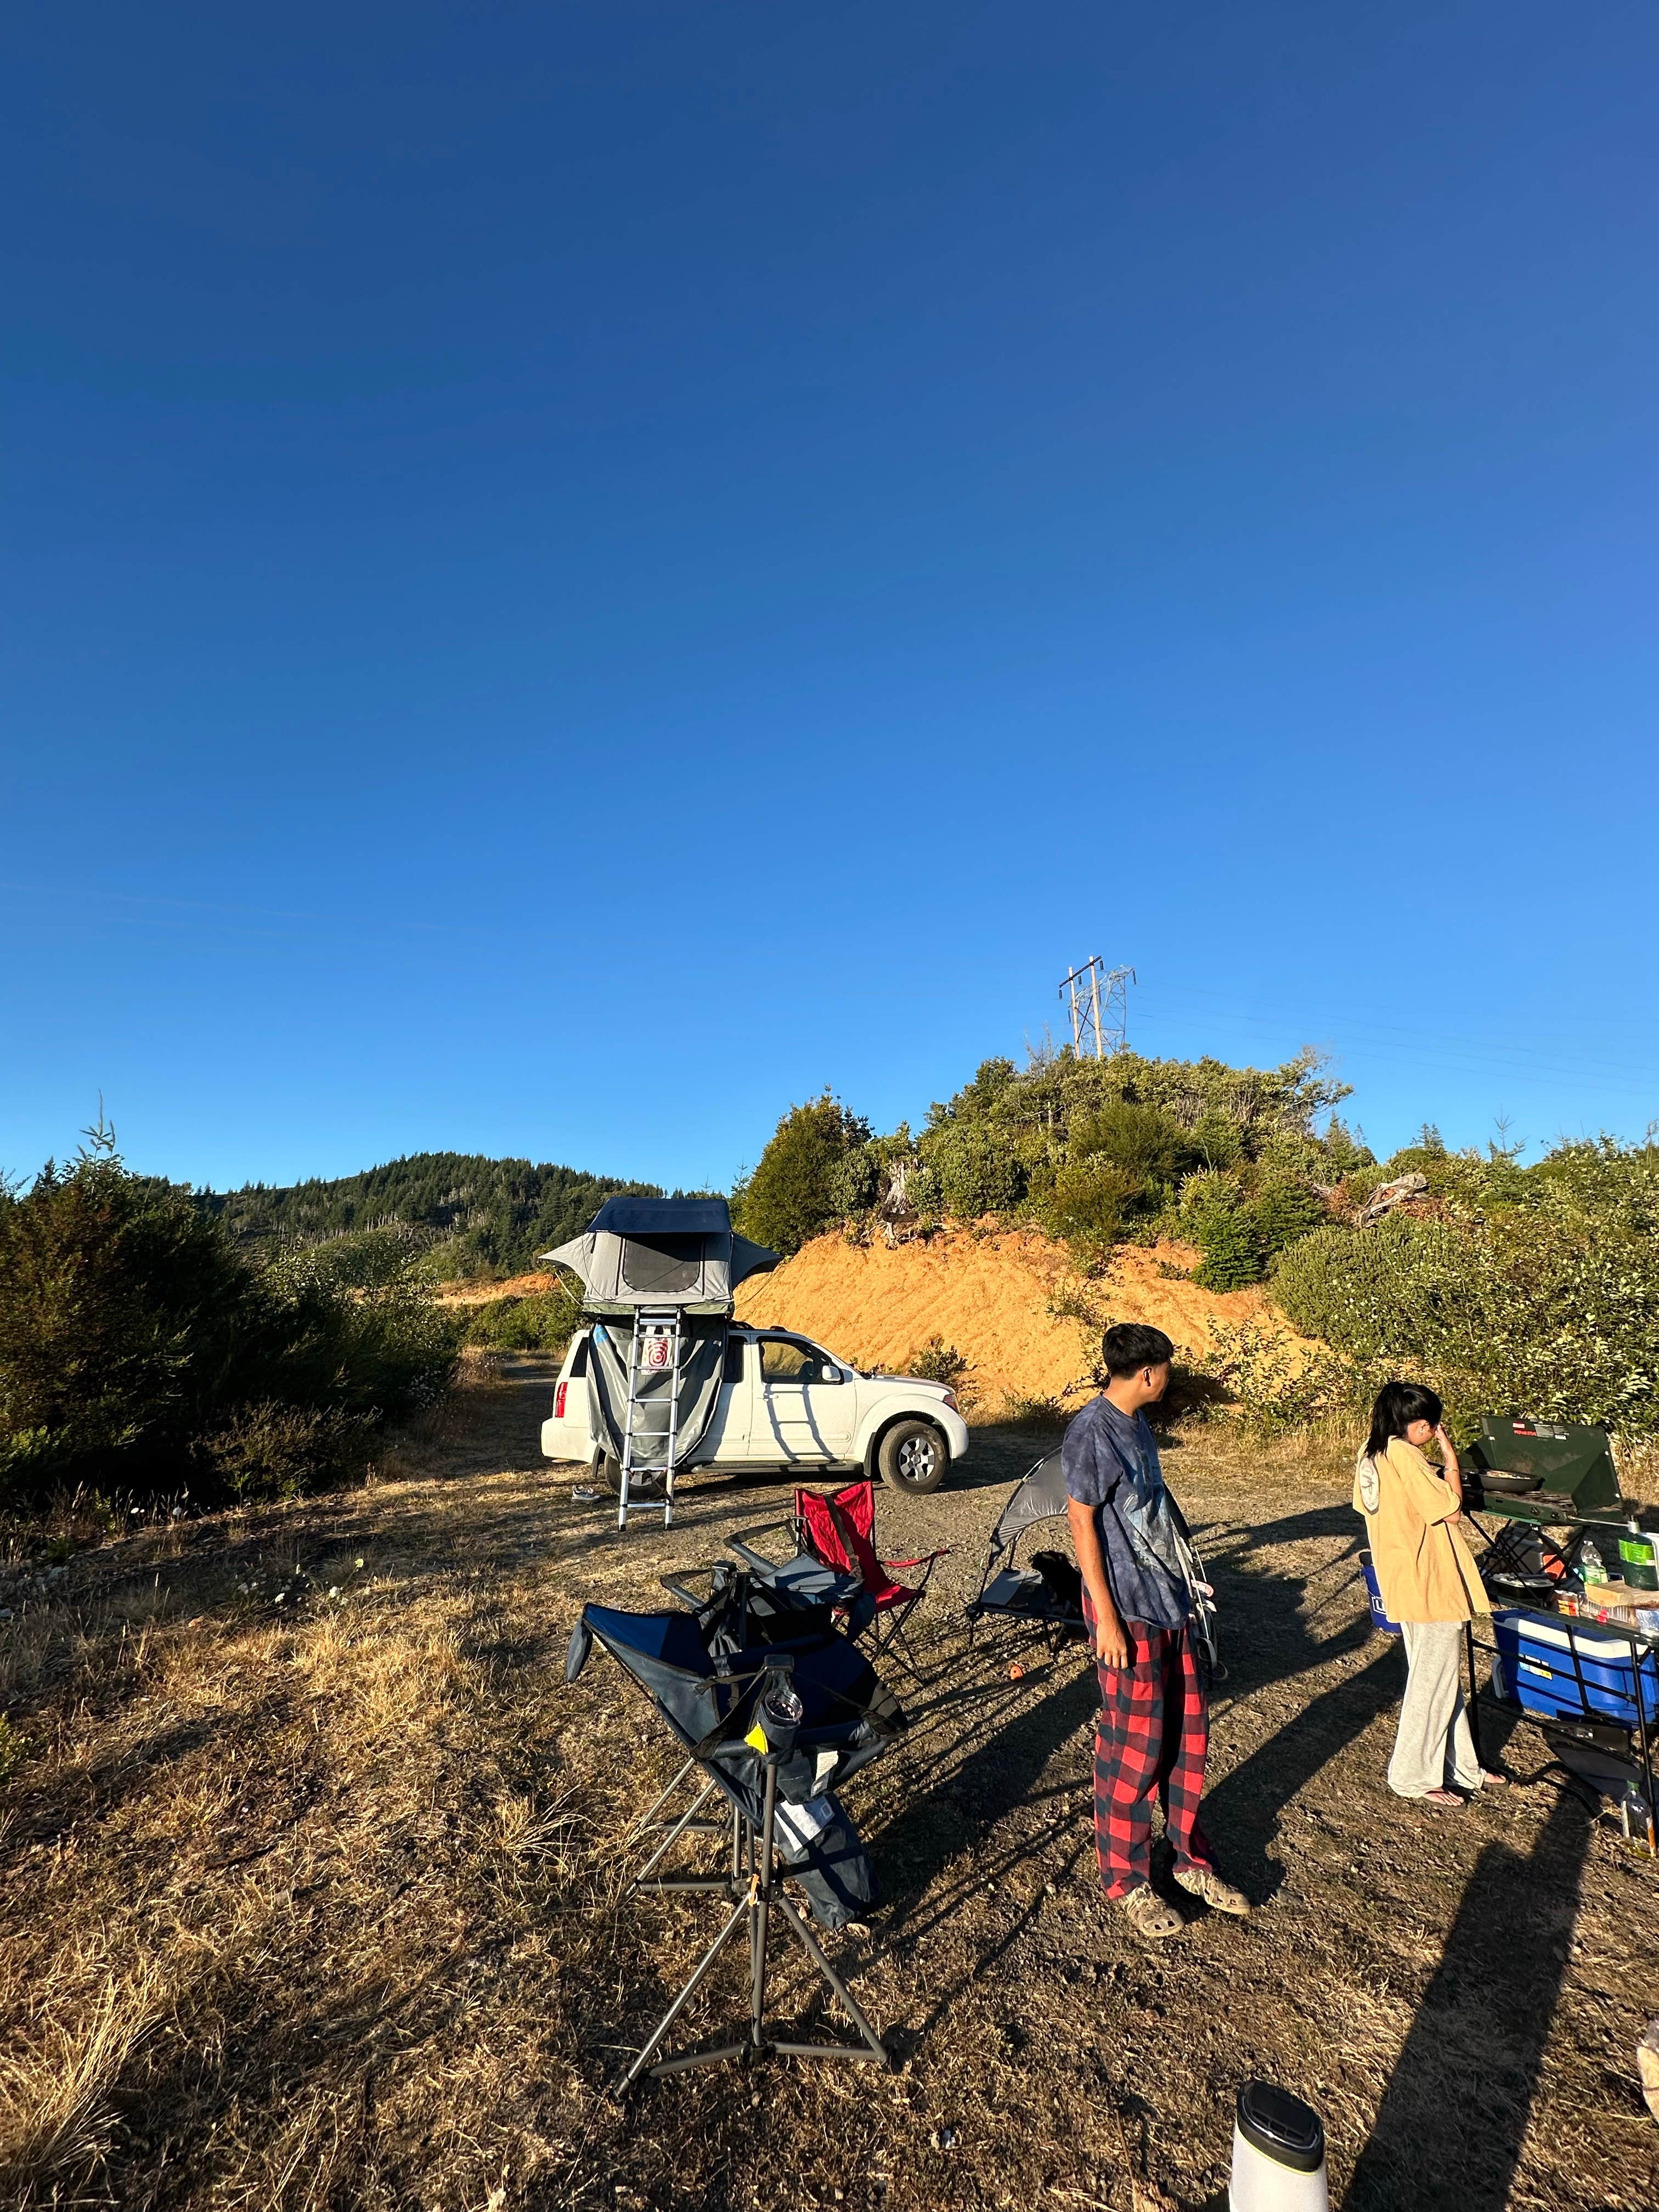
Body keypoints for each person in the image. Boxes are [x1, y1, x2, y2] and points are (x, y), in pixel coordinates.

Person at [1064, 1321, 1248, 1939]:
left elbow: (1155, 1508)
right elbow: (1082, 1526)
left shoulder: (1138, 1424)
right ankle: (1128, 1879)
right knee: (1131, 1748)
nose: (1168, 1377)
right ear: (1147, 1373)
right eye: (1165, 1368)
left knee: (1185, 1738)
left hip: (1168, 1603)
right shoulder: (1091, 1432)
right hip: (1127, 1614)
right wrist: (1107, 1621)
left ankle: (1189, 1857)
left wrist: (1188, 1577)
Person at [1353, 1379, 1504, 1807]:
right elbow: (1452, 1511)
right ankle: (1411, 1776)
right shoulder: (1407, 1455)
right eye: (1433, 1426)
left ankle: (1463, 1767)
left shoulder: (1372, 1452)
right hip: (1429, 1580)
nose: (1434, 1431)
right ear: (1420, 1425)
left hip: (1401, 1576)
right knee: (1431, 1683)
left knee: (1439, 1678)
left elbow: (1375, 1506)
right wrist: (1450, 1459)